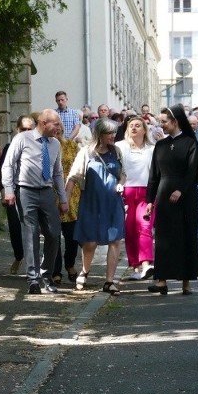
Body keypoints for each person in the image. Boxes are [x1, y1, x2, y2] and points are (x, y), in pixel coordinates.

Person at [1, 110, 69, 294]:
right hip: (26, 191)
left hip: (47, 192)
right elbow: (8, 164)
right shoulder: (23, 139)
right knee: (30, 234)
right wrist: (8, 190)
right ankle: (33, 279)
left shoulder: (55, 144)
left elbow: (57, 172)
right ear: (43, 122)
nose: (58, 127)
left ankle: (46, 275)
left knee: (54, 234)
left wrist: (63, 198)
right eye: (55, 124)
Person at [145, 105, 198, 295]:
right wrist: (149, 200)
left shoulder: (189, 143)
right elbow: (154, 174)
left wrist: (181, 190)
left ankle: (186, 282)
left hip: (186, 196)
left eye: (164, 122)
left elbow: (192, 170)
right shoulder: (160, 145)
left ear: (175, 122)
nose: (161, 125)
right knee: (163, 237)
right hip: (163, 194)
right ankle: (161, 280)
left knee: (185, 235)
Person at [65, 118, 126, 295]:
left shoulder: (117, 151)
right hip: (91, 202)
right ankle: (84, 270)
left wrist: (121, 183)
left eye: (114, 132)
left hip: (113, 202)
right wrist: (65, 200)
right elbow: (73, 177)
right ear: (99, 134)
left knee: (114, 241)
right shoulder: (86, 152)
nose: (113, 136)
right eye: (109, 133)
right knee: (90, 242)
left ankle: (109, 281)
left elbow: (123, 174)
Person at [116, 117, 155, 281]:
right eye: (131, 126)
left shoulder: (152, 149)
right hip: (126, 191)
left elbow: (156, 173)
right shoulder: (120, 147)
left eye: (138, 126)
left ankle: (147, 265)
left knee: (145, 227)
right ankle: (136, 267)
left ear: (144, 130)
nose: (133, 128)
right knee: (130, 230)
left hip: (147, 192)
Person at [0, 116, 35, 275]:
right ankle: (19, 256)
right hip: (13, 191)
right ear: (17, 129)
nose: (26, 133)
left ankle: (33, 265)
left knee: (32, 228)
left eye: (29, 129)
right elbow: (4, 168)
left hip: (32, 192)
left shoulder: (39, 145)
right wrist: (4, 190)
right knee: (14, 226)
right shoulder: (9, 146)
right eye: (23, 130)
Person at [52, 123, 81, 285]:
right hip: (51, 193)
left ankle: (69, 264)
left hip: (72, 194)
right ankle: (56, 271)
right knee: (54, 235)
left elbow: (81, 167)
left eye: (58, 128)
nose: (56, 131)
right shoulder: (44, 146)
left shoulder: (71, 145)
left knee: (71, 236)